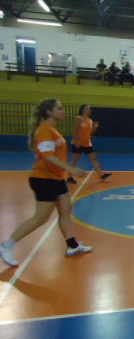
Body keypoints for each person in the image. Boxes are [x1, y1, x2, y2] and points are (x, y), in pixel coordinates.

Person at [0, 99, 92, 267]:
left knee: (66, 209)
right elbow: (47, 156)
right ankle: (7, 245)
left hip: (56, 178)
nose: (63, 111)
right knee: (40, 218)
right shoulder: (44, 131)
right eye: (59, 108)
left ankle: (73, 245)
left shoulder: (52, 130)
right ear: (49, 112)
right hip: (44, 179)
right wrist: (70, 169)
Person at [66, 104, 112, 184]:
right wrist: (77, 140)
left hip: (87, 143)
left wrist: (95, 127)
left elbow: (90, 132)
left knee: (93, 158)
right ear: (82, 110)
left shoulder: (90, 120)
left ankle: (102, 175)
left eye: (89, 109)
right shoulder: (79, 119)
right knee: (75, 160)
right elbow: (74, 130)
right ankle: (69, 177)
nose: (89, 110)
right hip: (78, 143)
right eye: (87, 109)